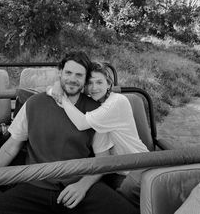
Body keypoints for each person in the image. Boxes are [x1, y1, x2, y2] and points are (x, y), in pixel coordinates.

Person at [0, 52, 138, 214]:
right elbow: (9, 149)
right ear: (60, 73)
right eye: (68, 72)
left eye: (79, 75)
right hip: (35, 185)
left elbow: (103, 157)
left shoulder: (94, 110)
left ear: (85, 80)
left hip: (78, 185)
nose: (72, 79)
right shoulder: (34, 104)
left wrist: (83, 185)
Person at [49, 61, 149, 208]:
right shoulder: (95, 104)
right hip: (116, 170)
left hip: (138, 166)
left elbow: (82, 123)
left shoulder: (117, 102)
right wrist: (58, 85)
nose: (94, 88)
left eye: (99, 82)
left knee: (124, 205)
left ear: (109, 85)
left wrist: (61, 97)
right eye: (89, 83)